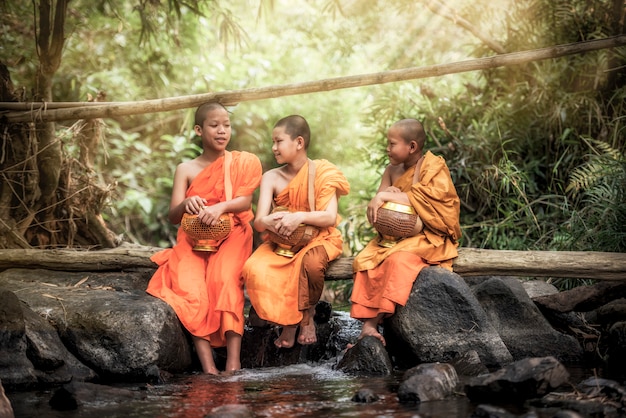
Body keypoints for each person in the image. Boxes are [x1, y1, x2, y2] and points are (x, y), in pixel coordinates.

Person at [146, 102, 262, 374]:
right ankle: (209, 368)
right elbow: (174, 215)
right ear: (199, 130)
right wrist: (187, 202)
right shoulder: (185, 169)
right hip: (192, 238)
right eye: (214, 125)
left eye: (227, 125)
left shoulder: (239, 163)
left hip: (232, 233)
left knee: (223, 281)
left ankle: (233, 363)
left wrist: (220, 207)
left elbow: (244, 202)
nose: (222, 131)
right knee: (191, 289)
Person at [350, 118, 461, 346]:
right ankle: (368, 327)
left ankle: (374, 321)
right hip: (391, 237)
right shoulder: (391, 171)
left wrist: (389, 196)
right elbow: (375, 210)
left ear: (412, 146)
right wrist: (386, 195)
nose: (387, 149)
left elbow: (438, 203)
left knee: (398, 260)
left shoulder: (434, 167)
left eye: (392, 144)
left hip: (427, 237)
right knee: (365, 260)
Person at [242, 115, 350, 349]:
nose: (274, 148)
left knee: (309, 265)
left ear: (299, 142)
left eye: (278, 141)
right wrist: (270, 221)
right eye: (273, 142)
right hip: (280, 244)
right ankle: (281, 319)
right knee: (252, 268)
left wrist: (299, 217)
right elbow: (259, 222)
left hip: (319, 239)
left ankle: (306, 318)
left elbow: (329, 217)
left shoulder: (323, 172)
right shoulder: (271, 177)